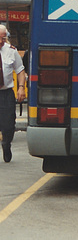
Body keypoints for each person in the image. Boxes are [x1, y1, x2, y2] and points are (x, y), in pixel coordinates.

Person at [0, 25, 26, 162]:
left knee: (8, 125)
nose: (1, 41)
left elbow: (20, 70)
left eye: (3, 38)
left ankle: (6, 144)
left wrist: (21, 87)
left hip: (5, 94)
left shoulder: (11, 51)